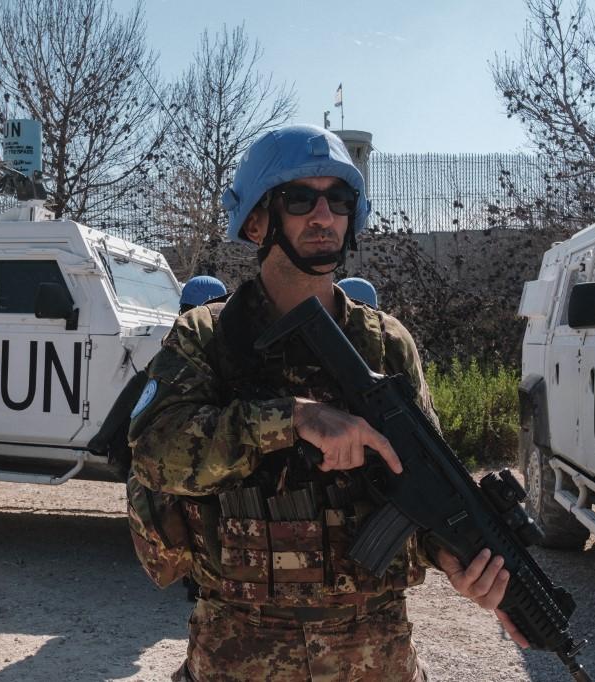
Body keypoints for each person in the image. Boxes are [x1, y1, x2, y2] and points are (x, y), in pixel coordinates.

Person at [129, 125, 527, 681]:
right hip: (240, 655)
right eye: (300, 199)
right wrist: (293, 418)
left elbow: (422, 485)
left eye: (338, 200)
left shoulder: (387, 344)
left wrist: (454, 560)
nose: (323, 216)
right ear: (255, 221)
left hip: (374, 657)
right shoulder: (207, 336)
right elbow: (154, 451)